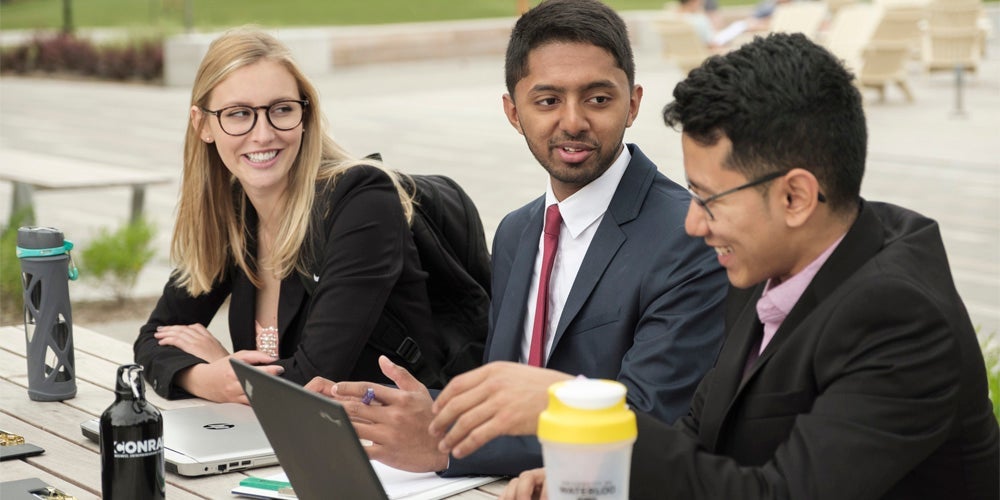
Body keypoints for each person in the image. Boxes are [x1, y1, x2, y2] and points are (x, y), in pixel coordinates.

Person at [459, 33, 1000, 499]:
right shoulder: (762, 270)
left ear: (795, 198)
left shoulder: (899, 318)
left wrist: (573, 409)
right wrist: (588, 476)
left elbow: (780, 494)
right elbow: (697, 438)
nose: (693, 223)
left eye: (709, 198)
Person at [305, 0, 728, 478]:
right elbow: (503, 399)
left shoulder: (689, 236)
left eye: (598, 99)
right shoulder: (516, 232)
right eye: (547, 101)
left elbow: (650, 418)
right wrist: (395, 411)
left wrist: (445, 445)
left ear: (632, 103)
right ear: (513, 111)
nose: (573, 121)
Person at [134, 27, 447, 403]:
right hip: (281, 437)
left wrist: (227, 367)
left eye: (281, 109)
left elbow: (313, 381)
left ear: (304, 115)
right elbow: (153, 336)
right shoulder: (234, 212)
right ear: (203, 125)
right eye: (239, 114)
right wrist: (204, 378)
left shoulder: (361, 202)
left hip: (393, 447)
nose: (263, 134)